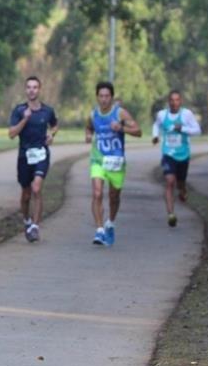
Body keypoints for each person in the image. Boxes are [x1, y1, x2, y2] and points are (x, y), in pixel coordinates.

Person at [85, 81, 142, 246]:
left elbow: (138, 131)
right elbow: (89, 128)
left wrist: (121, 128)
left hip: (116, 161)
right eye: (101, 96)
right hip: (98, 159)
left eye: (107, 96)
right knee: (97, 193)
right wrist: (88, 135)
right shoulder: (92, 114)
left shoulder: (120, 113)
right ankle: (99, 230)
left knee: (114, 196)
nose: (104, 99)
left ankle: (110, 222)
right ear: (97, 97)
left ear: (112, 97)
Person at [8, 76, 58, 242]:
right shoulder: (19, 110)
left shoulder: (47, 111)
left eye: (35, 87)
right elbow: (11, 134)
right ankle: (27, 221)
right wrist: (25, 119)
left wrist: (52, 134)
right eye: (29, 87)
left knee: (36, 188)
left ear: (39, 90)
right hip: (24, 156)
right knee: (26, 194)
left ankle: (35, 227)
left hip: (41, 154)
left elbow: (55, 124)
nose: (32, 90)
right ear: (25, 90)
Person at [151, 89, 201, 227]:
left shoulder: (187, 115)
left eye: (177, 100)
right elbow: (156, 125)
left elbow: (197, 130)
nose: (174, 103)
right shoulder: (162, 115)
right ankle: (171, 215)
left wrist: (183, 129)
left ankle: (183, 190)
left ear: (181, 101)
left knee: (180, 183)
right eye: (172, 100)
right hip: (168, 154)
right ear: (169, 102)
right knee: (169, 181)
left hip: (183, 155)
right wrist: (155, 136)